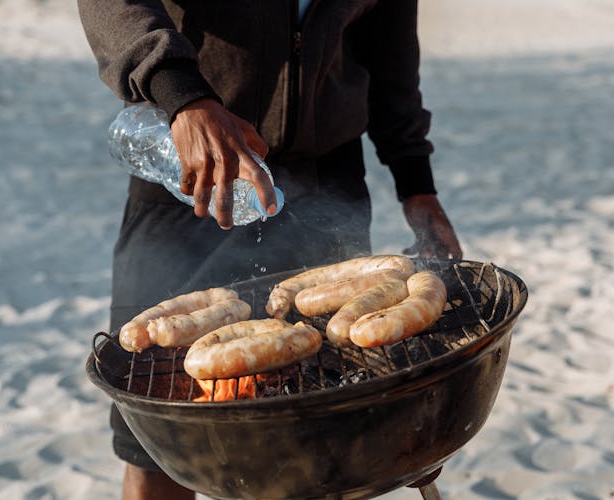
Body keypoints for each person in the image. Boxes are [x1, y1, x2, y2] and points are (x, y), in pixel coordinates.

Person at [77, 0, 462, 498]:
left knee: (320, 441)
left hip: (325, 177)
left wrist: (417, 183)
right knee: (157, 446)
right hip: (190, 168)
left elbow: (388, 43)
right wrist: (181, 93)